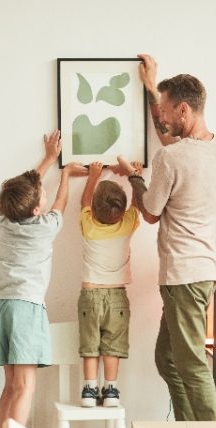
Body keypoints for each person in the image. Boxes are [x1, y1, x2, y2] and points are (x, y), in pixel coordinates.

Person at [111, 54, 216, 421]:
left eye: (166, 110)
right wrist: (152, 88)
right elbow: (173, 146)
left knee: (192, 364)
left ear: (184, 109)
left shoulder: (172, 160)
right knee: (167, 359)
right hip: (204, 270)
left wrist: (133, 177)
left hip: (184, 274)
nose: (161, 118)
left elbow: (149, 212)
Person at [0, 130, 86, 428]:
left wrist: (47, 159)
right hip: (26, 308)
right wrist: (66, 174)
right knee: (26, 386)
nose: (45, 194)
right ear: (35, 210)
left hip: (1, 308)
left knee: (10, 386)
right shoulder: (45, 227)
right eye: (40, 195)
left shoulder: (4, 221)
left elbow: (28, 188)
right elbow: (61, 201)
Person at [78, 161, 141, 407]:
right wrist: (136, 176)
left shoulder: (88, 225)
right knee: (112, 345)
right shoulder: (127, 225)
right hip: (117, 297)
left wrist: (93, 176)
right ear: (121, 211)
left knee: (90, 344)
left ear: (94, 210)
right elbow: (138, 205)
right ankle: (111, 390)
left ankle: (89, 390)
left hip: (90, 294)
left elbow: (84, 201)